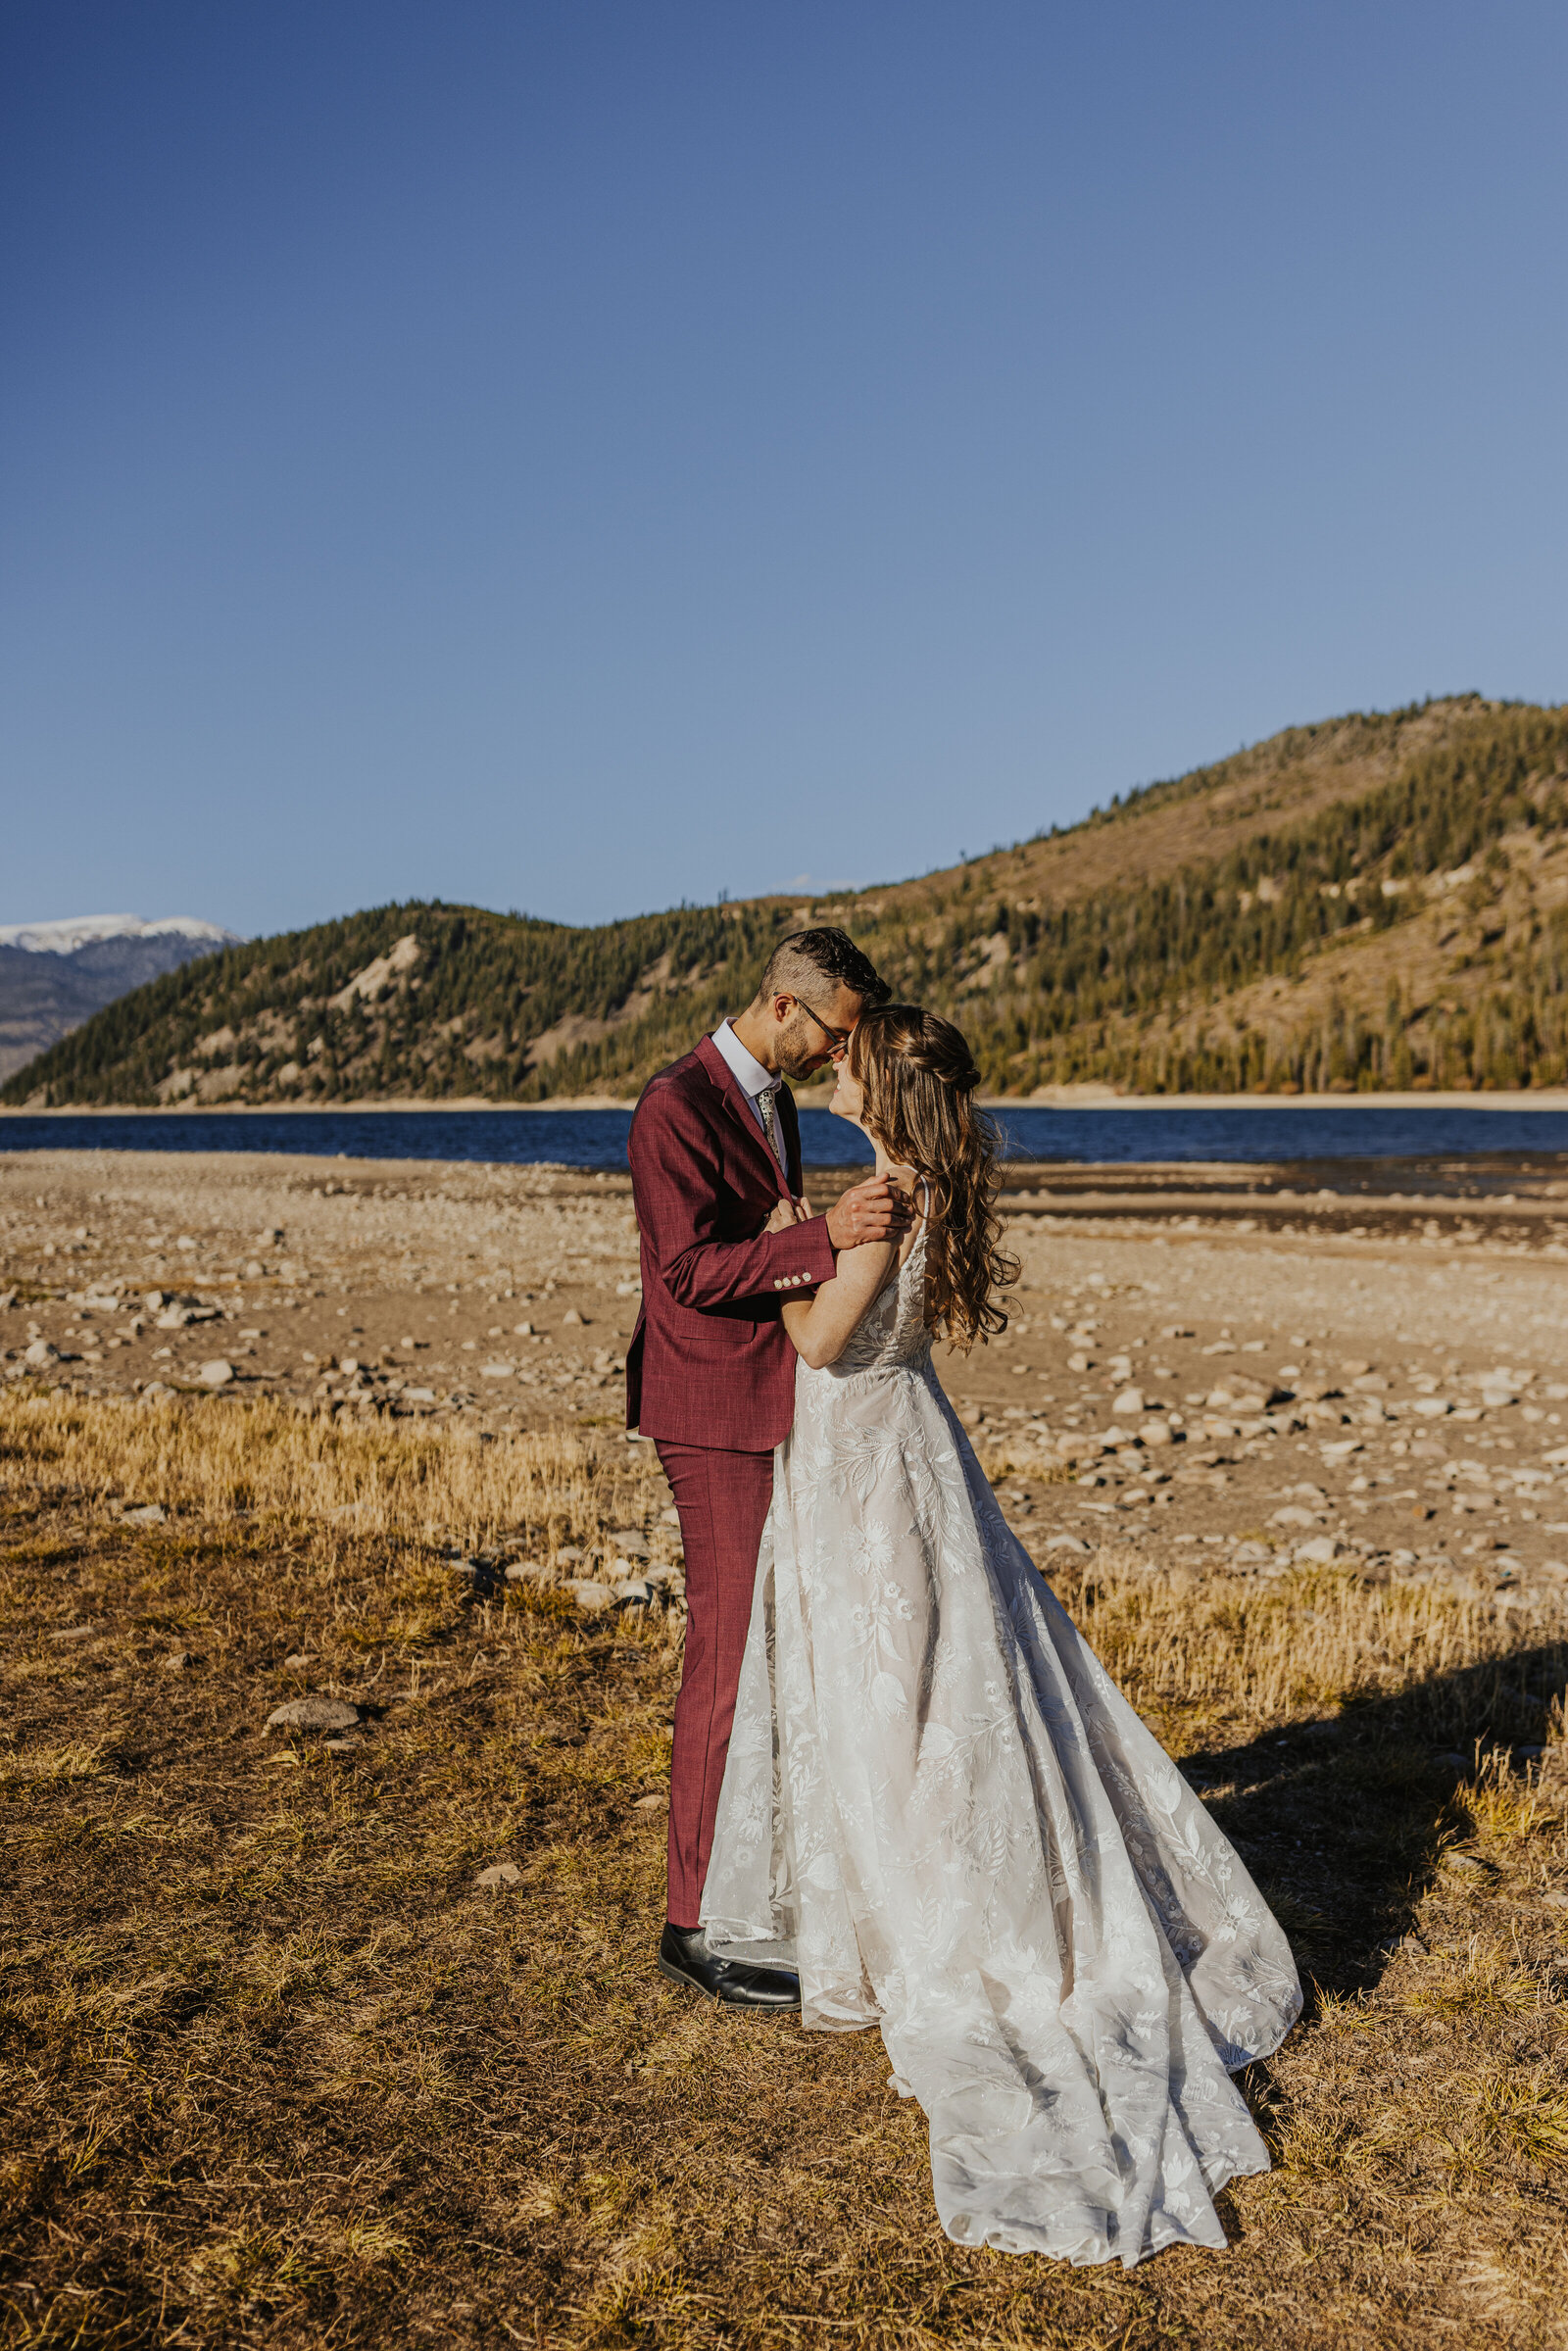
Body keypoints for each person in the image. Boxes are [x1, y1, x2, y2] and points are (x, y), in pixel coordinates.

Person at [700, 1004, 1302, 2268]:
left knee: (897, 1695)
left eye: (852, 1057)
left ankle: (933, 1913)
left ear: (888, 1089)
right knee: (948, 1677)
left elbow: (817, 1338)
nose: (835, 1064)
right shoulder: (926, 1184)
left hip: (865, 1455)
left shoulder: (875, 1199)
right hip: (907, 1442)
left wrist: (780, 1245)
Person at [625, 927, 914, 2007]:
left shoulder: (773, 1104)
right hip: (709, 1410)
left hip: (770, 1393)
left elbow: (765, 1233)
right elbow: (689, 1269)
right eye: (837, 1032)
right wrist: (826, 1235)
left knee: (768, 1652)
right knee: (726, 1654)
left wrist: (815, 1241)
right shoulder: (673, 1106)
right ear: (784, 1006)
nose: (843, 1055)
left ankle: (753, 1877)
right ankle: (691, 1922)